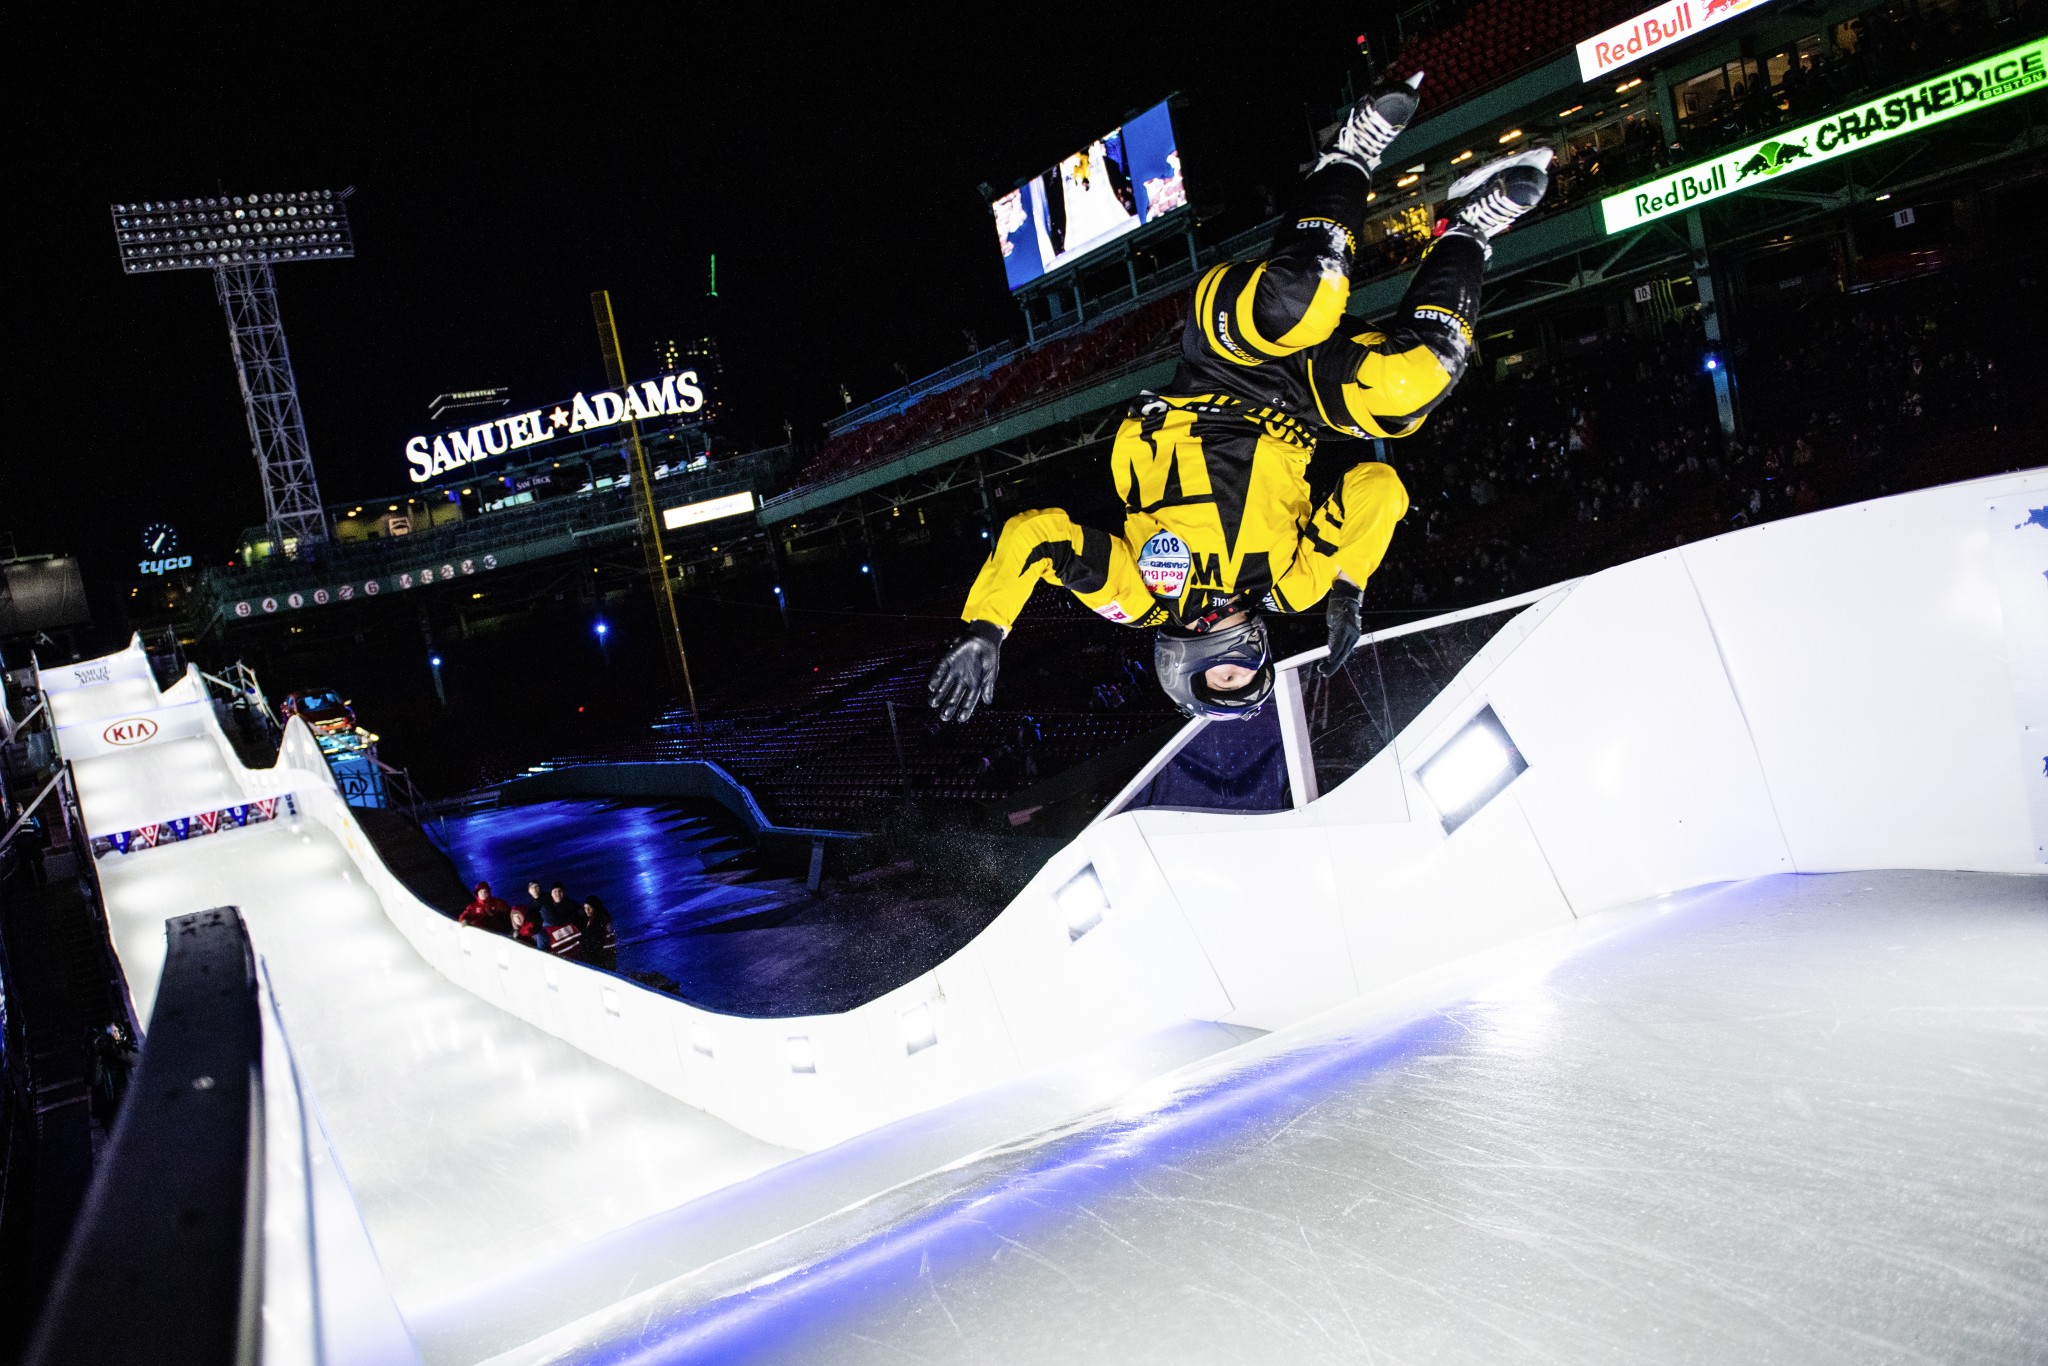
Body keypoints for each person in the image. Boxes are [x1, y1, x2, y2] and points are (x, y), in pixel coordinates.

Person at [929, 73, 1552, 723]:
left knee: (1304, 303)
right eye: (1254, 669)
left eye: (1229, 672)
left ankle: (1349, 153)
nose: (1249, 657)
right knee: (1410, 390)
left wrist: (988, 627)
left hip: (1213, 373)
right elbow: (1379, 487)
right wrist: (1348, 583)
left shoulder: (1138, 597)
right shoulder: (1293, 589)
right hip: (1299, 405)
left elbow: (1038, 537)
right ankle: (1468, 228)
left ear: (1184, 665)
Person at [539, 883, 585, 959]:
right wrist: (568, 918)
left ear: (563, 893)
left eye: (560, 891)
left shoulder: (571, 903)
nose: (558, 893)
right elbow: (549, 919)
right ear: (551, 894)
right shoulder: (546, 905)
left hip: (568, 933)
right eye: (555, 891)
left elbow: (581, 913)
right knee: (541, 937)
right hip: (553, 930)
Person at [578, 895, 617, 972]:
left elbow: (596, 941)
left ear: (595, 908)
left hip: (604, 955)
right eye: (585, 908)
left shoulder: (600, 921)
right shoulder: (593, 919)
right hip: (604, 954)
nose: (587, 910)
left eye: (589, 908)